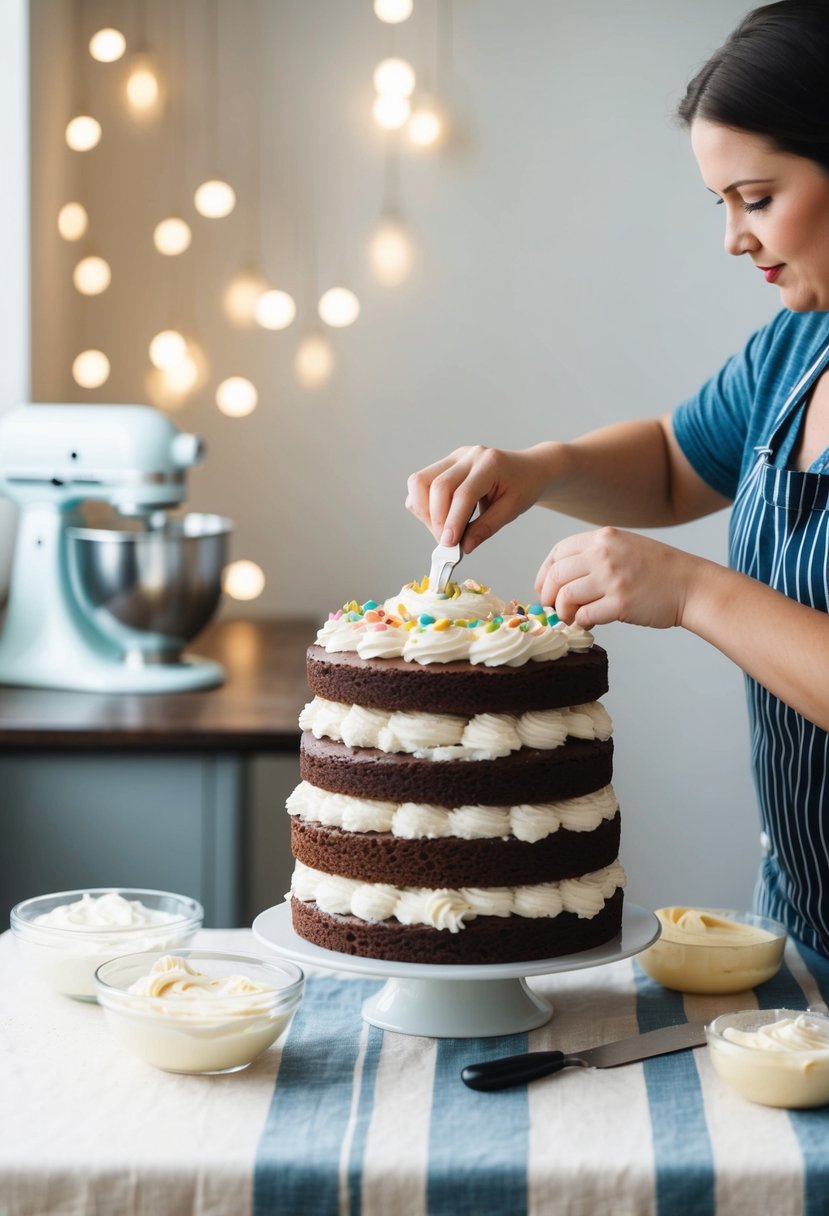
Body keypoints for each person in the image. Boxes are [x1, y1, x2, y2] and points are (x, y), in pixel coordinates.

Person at [405, 0, 829, 956]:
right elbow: (678, 466)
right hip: (802, 922)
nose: (733, 238)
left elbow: (688, 561)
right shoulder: (800, 342)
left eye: (756, 199)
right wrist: (540, 468)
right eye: (719, 204)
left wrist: (687, 590)